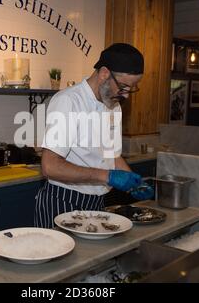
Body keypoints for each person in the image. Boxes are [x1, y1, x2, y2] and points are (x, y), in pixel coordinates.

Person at [34, 43, 154, 229]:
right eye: (123, 87)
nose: (127, 95)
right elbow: (50, 166)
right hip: (64, 201)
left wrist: (133, 182)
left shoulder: (114, 106)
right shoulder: (69, 101)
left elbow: (112, 155)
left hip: (97, 202)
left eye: (132, 88)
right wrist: (107, 176)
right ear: (105, 73)